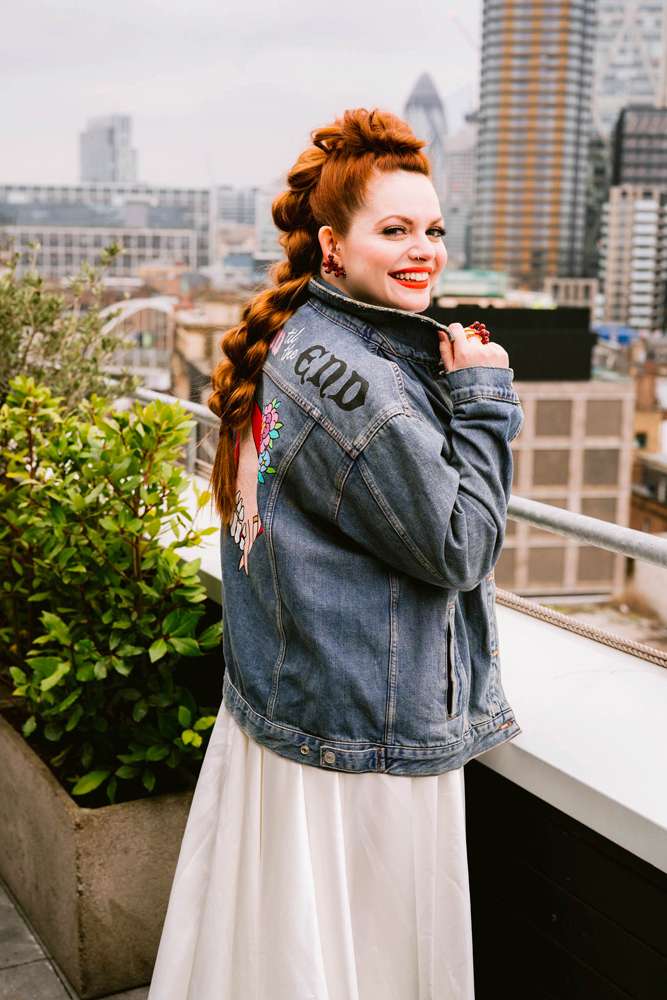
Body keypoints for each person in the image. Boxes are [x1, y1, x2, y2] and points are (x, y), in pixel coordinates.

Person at [148, 107, 524, 1000]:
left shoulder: (295, 338)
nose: (423, 250)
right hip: (364, 736)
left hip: (297, 704)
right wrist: (482, 397)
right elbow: (461, 546)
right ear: (332, 245)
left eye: (433, 229)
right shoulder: (368, 393)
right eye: (393, 230)